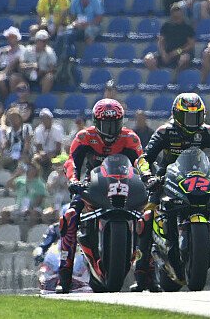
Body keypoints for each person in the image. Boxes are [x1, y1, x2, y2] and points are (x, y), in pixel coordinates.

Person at [133, 93, 210, 292]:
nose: (193, 122)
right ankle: (141, 276)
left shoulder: (208, 132)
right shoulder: (165, 131)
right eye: (188, 117)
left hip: (200, 182)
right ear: (177, 115)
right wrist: (148, 176)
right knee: (147, 218)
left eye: (196, 117)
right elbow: (144, 158)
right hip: (166, 183)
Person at [55, 99, 142, 293]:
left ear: (121, 122)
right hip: (93, 186)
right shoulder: (85, 137)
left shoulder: (131, 138)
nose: (110, 130)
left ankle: (147, 273)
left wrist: (148, 178)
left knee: (148, 216)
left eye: (114, 124)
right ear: (96, 121)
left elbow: (142, 164)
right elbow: (72, 162)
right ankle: (65, 276)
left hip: (124, 186)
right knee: (69, 217)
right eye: (105, 124)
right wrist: (73, 181)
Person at [144, 1, 195, 75]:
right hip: (167, 52)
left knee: (184, 59)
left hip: (181, 52)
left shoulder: (188, 26)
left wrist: (177, 51)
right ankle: (158, 77)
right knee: (148, 59)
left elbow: (191, 45)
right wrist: (163, 54)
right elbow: (161, 42)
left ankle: (175, 78)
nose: (176, 17)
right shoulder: (166, 26)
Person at [20, 29, 56, 94]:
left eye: (46, 41)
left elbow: (52, 69)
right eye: (43, 41)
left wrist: (42, 71)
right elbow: (21, 65)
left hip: (41, 78)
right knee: (14, 78)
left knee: (49, 77)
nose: (45, 43)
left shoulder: (50, 52)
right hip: (27, 77)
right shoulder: (28, 50)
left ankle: (42, 99)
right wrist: (31, 65)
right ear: (36, 41)